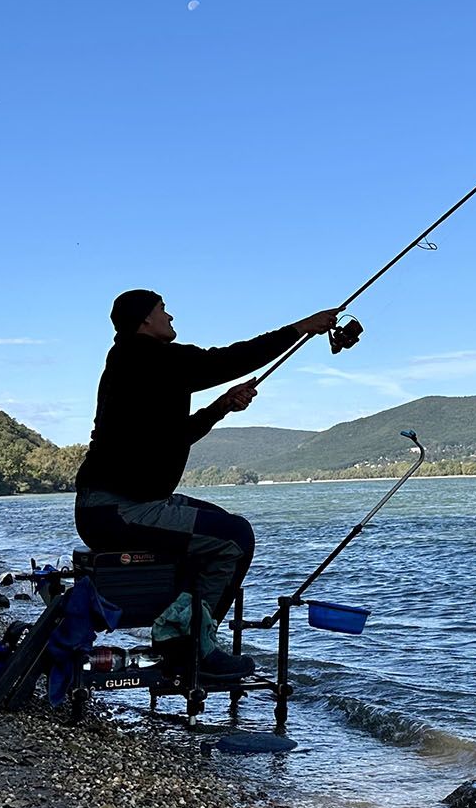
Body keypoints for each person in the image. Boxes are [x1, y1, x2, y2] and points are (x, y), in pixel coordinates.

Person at [74, 290, 338, 677]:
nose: (170, 316)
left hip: (115, 506)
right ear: (145, 320)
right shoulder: (148, 356)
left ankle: (176, 632)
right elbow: (231, 359)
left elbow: (175, 435)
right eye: (162, 310)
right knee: (234, 538)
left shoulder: (137, 363)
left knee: (219, 521)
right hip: (117, 511)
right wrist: (301, 328)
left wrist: (221, 407)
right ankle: (191, 648)